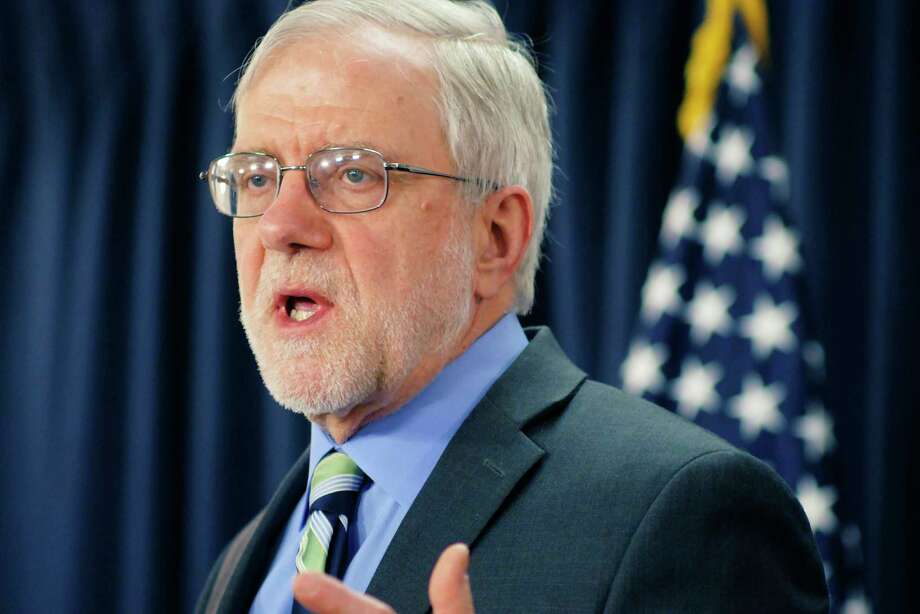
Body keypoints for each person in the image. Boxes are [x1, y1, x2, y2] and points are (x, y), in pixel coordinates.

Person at [195, 1, 829, 612]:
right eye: (256, 176)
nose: (279, 225)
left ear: (495, 236)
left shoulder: (684, 513)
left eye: (354, 174)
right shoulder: (245, 561)